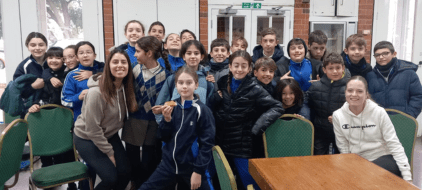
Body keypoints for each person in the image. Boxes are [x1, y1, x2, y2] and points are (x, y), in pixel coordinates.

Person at [212, 50, 283, 190]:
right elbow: (216, 106)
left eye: (243, 66)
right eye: (236, 65)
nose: (239, 69)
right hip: (220, 141)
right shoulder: (221, 82)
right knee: (220, 180)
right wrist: (214, 98)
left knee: (249, 182)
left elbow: (277, 107)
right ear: (230, 66)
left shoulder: (254, 88)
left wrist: (257, 127)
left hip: (241, 145)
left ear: (249, 68)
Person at [140, 67, 215, 190]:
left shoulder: (203, 110)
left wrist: (198, 171)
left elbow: (207, 144)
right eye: (180, 83)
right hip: (168, 166)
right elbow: (163, 137)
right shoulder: (171, 106)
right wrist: (167, 120)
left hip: (192, 168)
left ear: (196, 85)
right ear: (176, 85)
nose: (184, 86)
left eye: (189, 83)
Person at [73, 48, 137, 190]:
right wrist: (109, 153)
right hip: (87, 138)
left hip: (109, 135)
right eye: (115, 62)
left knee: (126, 172)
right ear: (108, 66)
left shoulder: (125, 88)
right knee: (110, 178)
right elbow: (92, 129)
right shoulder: (96, 92)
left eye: (123, 62)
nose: (120, 65)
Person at [333, 76, 412, 182]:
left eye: (360, 91)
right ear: (345, 92)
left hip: (383, 157)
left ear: (366, 95)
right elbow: (343, 148)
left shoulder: (379, 112)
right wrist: (349, 167)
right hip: (357, 159)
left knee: (368, 175)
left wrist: (407, 176)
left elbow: (394, 144)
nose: (354, 94)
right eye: (350, 90)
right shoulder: (338, 115)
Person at [121, 36, 171, 189]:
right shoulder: (133, 69)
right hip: (133, 121)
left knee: (150, 163)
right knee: (133, 163)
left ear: (149, 53)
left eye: (137, 51)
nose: (134, 54)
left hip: (153, 124)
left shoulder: (167, 76)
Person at [28, 46, 78, 190]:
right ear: (46, 59)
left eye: (58, 57)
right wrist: (35, 105)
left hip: (62, 119)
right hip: (46, 120)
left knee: (66, 151)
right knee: (46, 152)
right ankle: (49, 181)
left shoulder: (68, 74)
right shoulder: (45, 73)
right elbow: (38, 95)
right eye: (50, 57)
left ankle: (71, 182)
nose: (54, 60)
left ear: (63, 60)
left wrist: (54, 79)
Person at [154, 40, 214, 123]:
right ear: (183, 56)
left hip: (197, 129)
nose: (193, 56)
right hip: (176, 128)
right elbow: (159, 106)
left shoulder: (207, 80)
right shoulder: (173, 78)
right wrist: (164, 123)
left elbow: (210, 108)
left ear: (202, 57)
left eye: (196, 53)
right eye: (189, 53)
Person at [308, 52, 351, 155]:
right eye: (331, 68)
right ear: (324, 69)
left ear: (343, 68)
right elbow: (308, 105)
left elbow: (356, 109)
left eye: (338, 68)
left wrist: (339, 117)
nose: (335, 71)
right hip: (320, 132)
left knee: (342, 161)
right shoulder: (315, 87)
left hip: (342, 131)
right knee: (319, 160)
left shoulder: (350, 88)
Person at [366, 41, 422, 119]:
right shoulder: (370, 75)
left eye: (385, 53)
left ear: (394, 54)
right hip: (377, 120)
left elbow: (418, 96)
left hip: (402, 120)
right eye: (377, 55)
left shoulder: (409, 73)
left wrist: (409, 116)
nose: (381, 57)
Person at [61, 41, 105, 121]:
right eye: (81, 53)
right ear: (77, 57)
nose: (85, 55)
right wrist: (78, 97)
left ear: (94, 56)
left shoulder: (105, 73)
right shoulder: (71, 75)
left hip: (105, 122)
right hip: (82, 123)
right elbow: (64, 101)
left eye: (89, 52)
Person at [13, 32, 48, 109]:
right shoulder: (23, 66)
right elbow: (16, 91)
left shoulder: (54, 61)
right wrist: (33, 87)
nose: (37, 48)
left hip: (56, 106)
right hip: (32, 109)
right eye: (33, 45)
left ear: (46, 46)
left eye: (41, 45)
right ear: (28, 47)